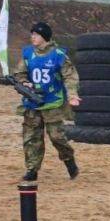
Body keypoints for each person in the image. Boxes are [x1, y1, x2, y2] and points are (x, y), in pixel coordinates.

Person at [13, 22, 81, 182]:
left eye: (36, 35)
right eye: (32, 34)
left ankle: (69, 161)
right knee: (31, 138)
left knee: (57, 137)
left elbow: (70, 76)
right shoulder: (28, 54)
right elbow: (19, 73)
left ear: (44, 37)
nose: (32, 37)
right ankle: (32, 170)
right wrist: (24, 83)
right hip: (32, 103)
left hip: (53, 104)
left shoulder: (58, 55)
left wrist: (72, 95)